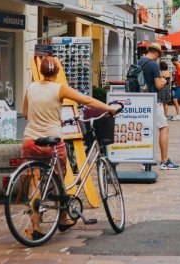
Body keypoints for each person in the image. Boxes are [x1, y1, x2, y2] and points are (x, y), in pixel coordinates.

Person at [23, 57, 120, 235]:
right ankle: (63, 217)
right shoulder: (60, 88)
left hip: (30, 140)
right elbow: (87, 101)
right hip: (52, 140)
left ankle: (35, 227)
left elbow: (25, 113)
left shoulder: (31, 88)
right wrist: (109, 108)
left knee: (33, 181)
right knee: (61, 176)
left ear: (42, 72)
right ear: (58, 71)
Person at [138, 43, 180, 170]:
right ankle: (164, 160)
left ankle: (145, 159)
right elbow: (158, 85)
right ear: (156, 53)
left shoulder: (139, 62)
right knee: (163, 128)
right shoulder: (153, 64)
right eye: (158, 55)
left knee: (145, 129)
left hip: (140, 99)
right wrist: (164, 81)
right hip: (152, 100)